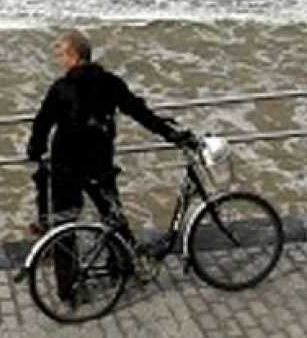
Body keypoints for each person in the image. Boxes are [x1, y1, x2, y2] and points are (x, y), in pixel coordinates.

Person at [26, 30, 195, 288]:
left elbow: (42, 125)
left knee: (64, 225)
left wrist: (35, 154)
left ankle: (67, 287)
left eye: (61, 55)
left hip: (65, 166)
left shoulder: (61, 89)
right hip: (98, 163)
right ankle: (121, 266)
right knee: (112, 216)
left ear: (73, 56)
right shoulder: (110, 83)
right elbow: (140, 112)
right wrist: (171, 134)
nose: (60, 61)